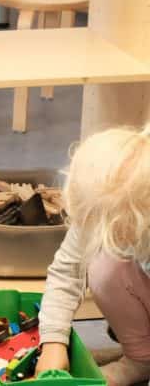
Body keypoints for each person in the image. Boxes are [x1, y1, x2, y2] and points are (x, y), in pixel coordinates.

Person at [35, 126, 150, 384]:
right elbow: (66, 272)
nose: (89, 227)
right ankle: (141, 358)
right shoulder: (101, 204)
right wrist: (53, 341)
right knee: (104, 267)